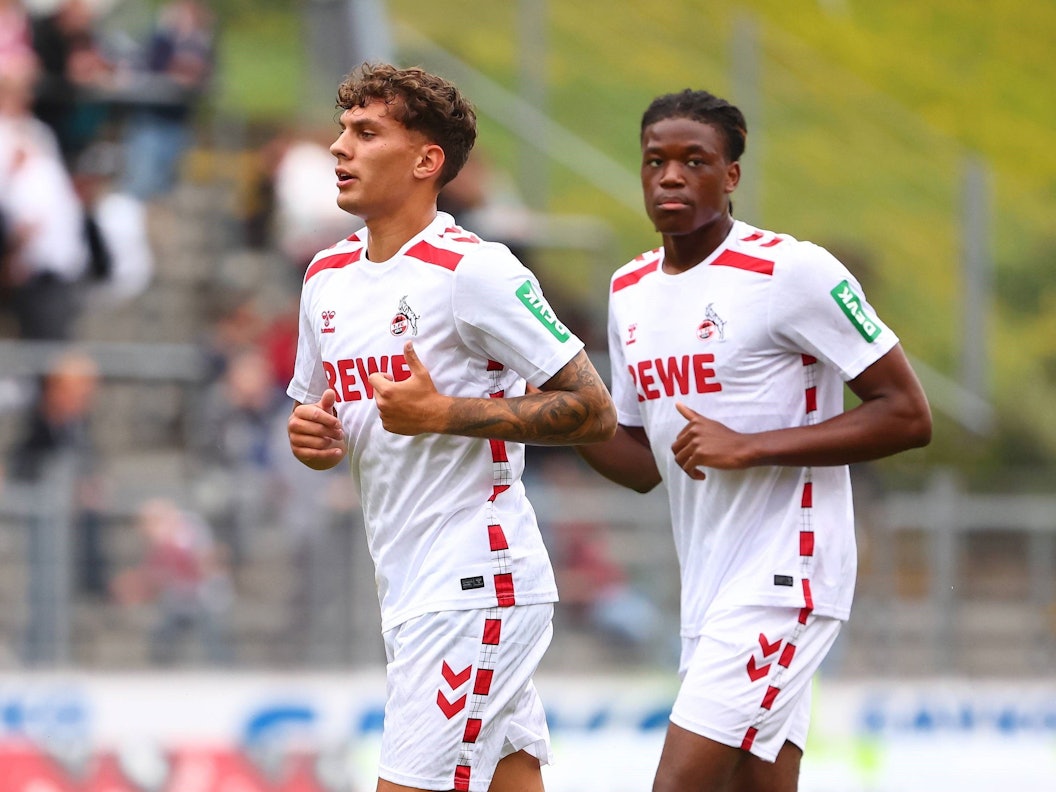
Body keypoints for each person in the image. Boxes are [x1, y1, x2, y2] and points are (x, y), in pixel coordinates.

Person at [575, 89, 932, 792]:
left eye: (693, 161)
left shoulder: (791, 272)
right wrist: (555, 409)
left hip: (786, 576)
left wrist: (754, 444)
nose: (670, 176)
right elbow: (642, 463)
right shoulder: (629, 289)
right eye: (655, 161)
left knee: (679, 784)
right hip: (708, 584)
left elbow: (907, 414)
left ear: (730, 176)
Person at [285, 63, 616, 792]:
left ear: (426, 160)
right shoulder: (326, 277)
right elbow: (321, 421)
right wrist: (311, 440)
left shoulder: (475, 271)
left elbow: (595, 410)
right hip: (410, 587)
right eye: (342, 131)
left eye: (366, 133)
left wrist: (445, 414)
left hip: (476, 585)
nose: (339, 148)